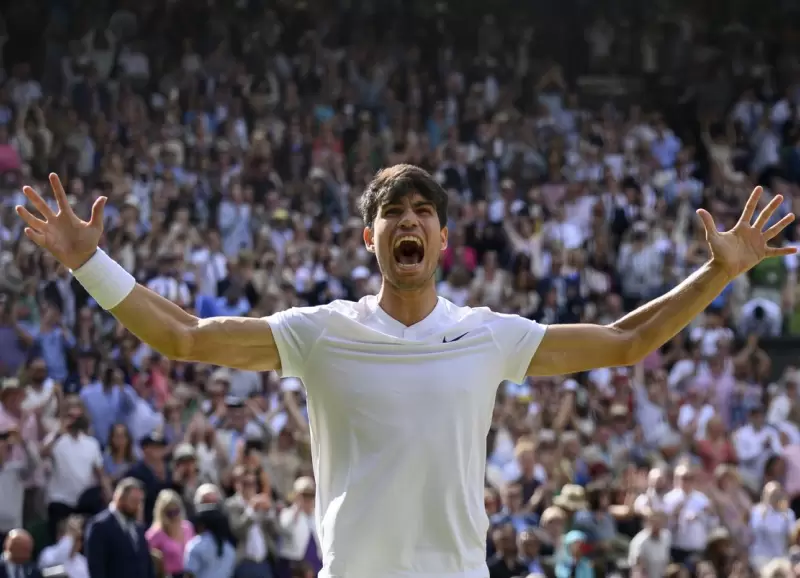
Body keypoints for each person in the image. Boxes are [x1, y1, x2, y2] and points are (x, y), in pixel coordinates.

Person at [14, 168, 797, 578]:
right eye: (394, 210)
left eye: (423, 209)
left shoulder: (488, 334)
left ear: (444, 236)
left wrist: (719, 276)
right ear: (370, 236)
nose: (409, 220)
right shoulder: (322, 332)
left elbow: (627, 341)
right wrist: (90, 261)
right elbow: (183, 335)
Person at [84, 477, 156, 578]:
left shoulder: (138, 528)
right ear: (120, 498)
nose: (138, 506)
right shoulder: (100, 526)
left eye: (139, 501)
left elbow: (147, 566)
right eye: (134, 501)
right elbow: (96, 569)